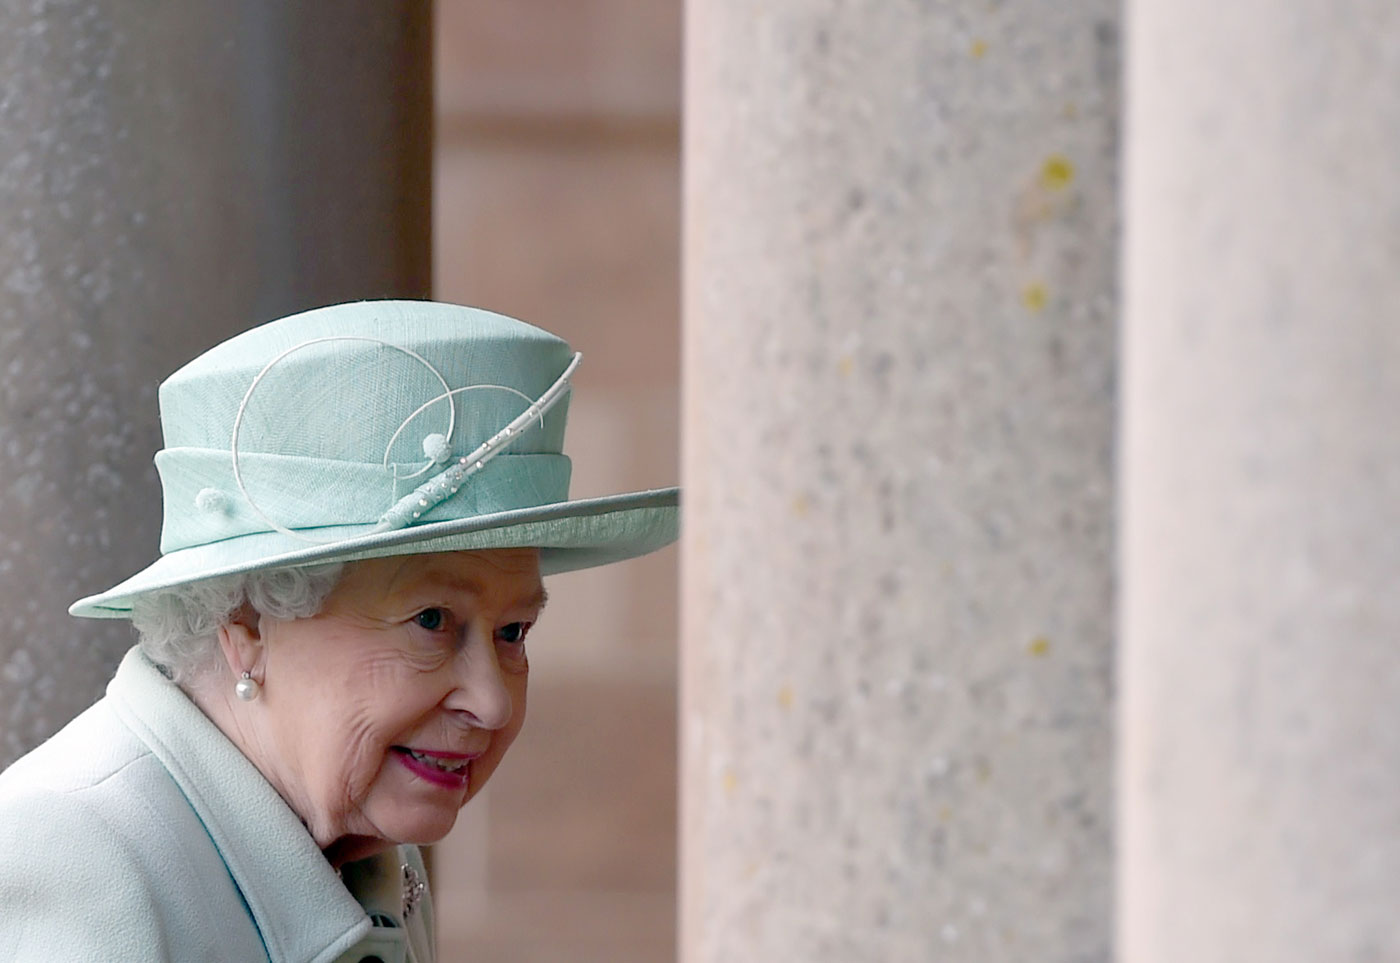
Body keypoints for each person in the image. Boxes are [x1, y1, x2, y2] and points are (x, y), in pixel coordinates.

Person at [0, 300, 678, 962]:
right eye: (432, 620)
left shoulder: (371, 854)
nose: (493, 701)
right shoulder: (76, 854)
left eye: (514, 631)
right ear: (248, 626)